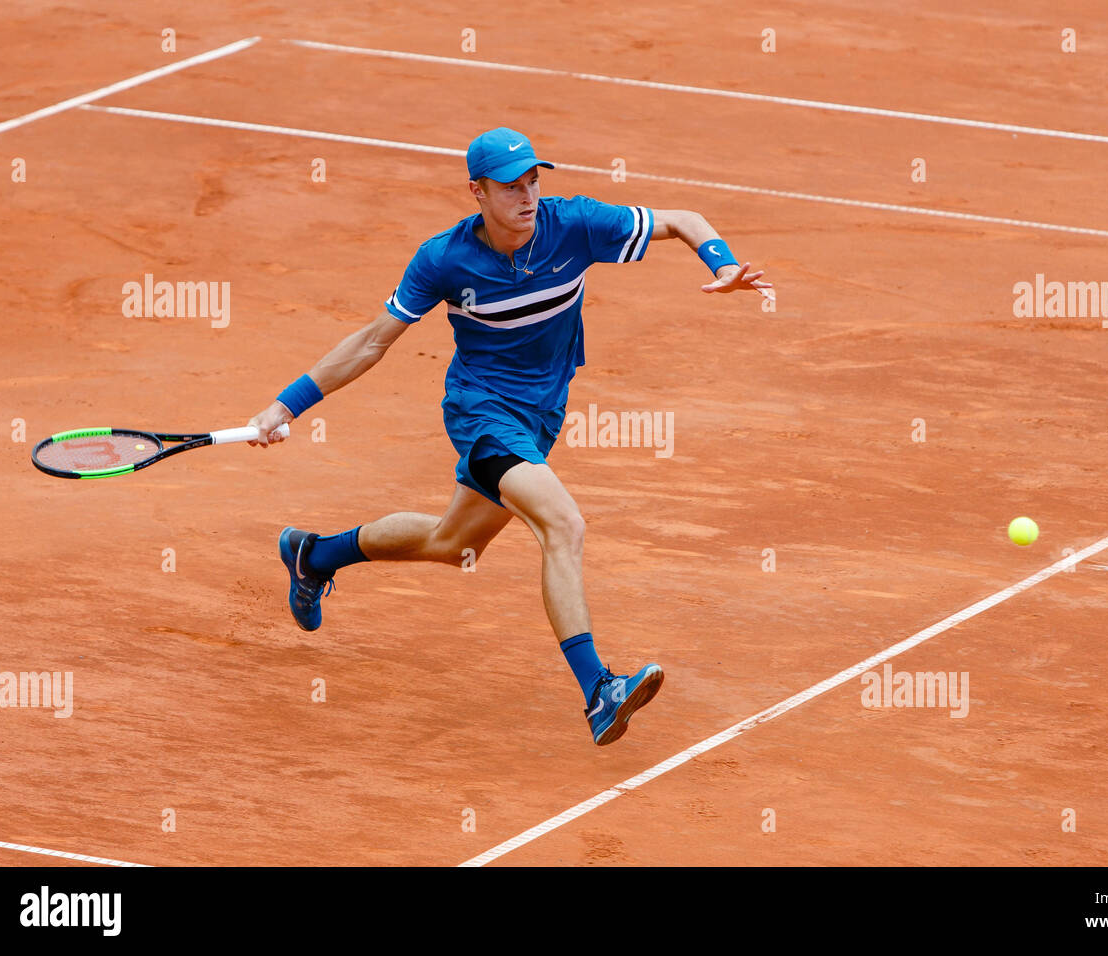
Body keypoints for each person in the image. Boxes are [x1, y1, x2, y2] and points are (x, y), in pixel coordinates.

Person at [247, 127, 771, 745]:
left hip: (541, 416)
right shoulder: (443, 259)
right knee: (562, 523)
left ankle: (314, 555)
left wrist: (724, 263)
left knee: (451, 543)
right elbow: (371, 341)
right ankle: (599, 690)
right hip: (482, 413)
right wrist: (287, 405)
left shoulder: (573, 224)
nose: (527, 197)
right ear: (477, 192)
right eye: (509, 187)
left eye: (533, 181)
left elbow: (683, 219)